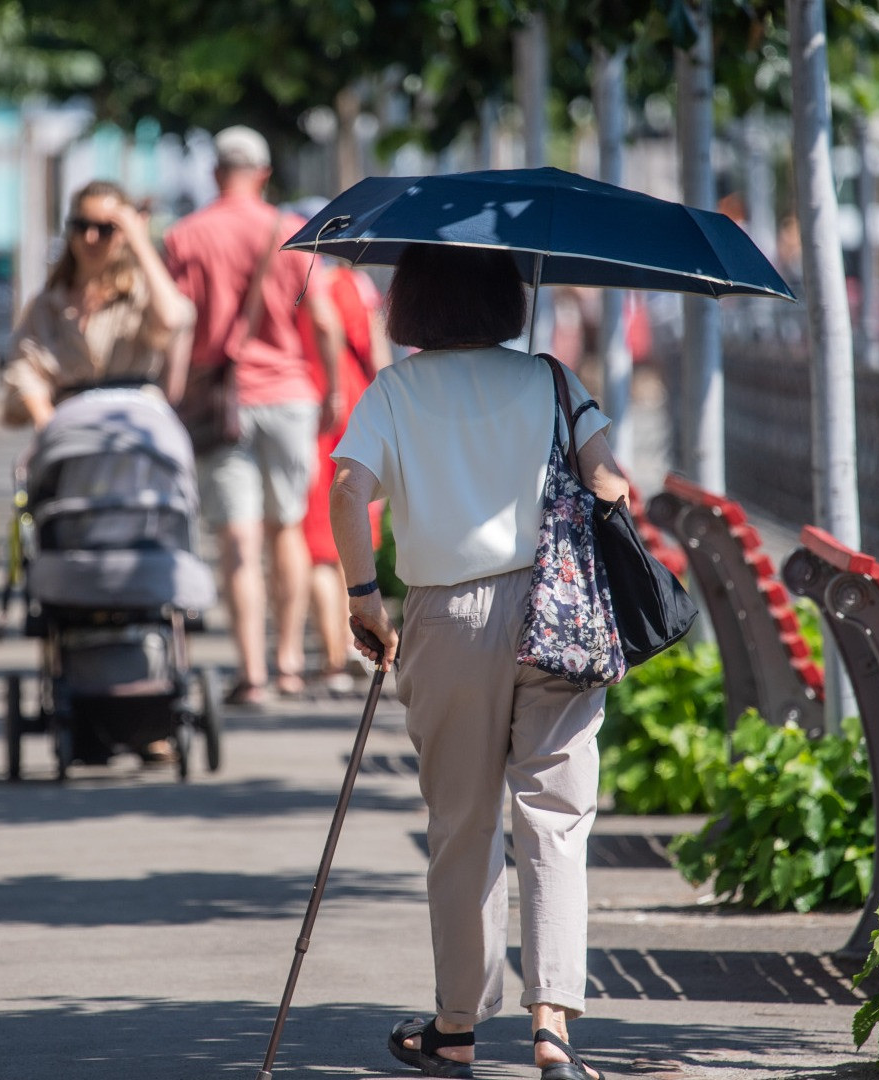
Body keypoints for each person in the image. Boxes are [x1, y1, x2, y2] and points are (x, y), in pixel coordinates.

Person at [330, 243, 624, 1080]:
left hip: (445, 614)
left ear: (411, 302)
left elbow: (348, 488)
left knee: (462, 823)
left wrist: (363, 599)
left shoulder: (395, 390)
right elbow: (610, 485)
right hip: (555, 612)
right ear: (505, 296)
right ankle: (553, 1029)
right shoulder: (553, 381)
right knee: (557, 819)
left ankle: (457, 1026)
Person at [165, 125, 343, 705]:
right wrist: (335, 389)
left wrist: (171, 394)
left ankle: (253, 674)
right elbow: (321, 319)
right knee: (286, 526)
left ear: (216, 172)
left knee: (236, 538)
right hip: (290, 396)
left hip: (222, 402)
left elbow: (177, 323)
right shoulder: (292, 232)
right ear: (263, 174)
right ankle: (289, 660)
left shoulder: (185, 236)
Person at [1, 180, 195, 428]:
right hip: (71, 431)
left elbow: (172, 319)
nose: (91, 238)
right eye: (81, 226)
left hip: (135, 429)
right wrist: (45, 420)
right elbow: (23, 368)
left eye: (105, 229)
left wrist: (139, 241)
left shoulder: (140, 294)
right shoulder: (48, 303)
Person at [295, 254, 389, 698]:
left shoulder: (302, 285)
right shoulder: (358, 286)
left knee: (318, 541)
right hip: (357, 407)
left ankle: (334, 654)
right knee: (351, 529)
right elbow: (380, 356)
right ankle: (351, 646)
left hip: (314, 409)